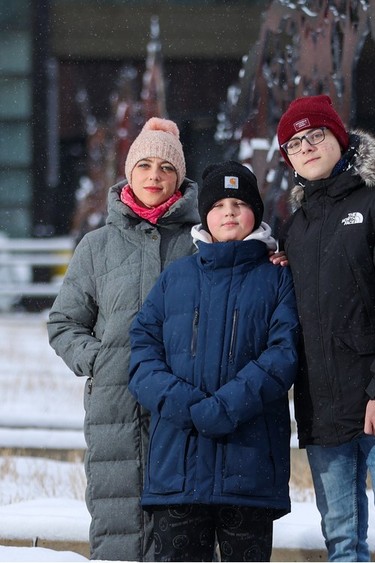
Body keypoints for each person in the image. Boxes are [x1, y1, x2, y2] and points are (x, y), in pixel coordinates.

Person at [128, 160, 300, 562]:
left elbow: (283, 353)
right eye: (219, 204)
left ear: (255, 212)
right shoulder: (176, 278)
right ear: (205, 214)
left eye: (239, 203)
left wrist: (225, 407)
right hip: (178, 468)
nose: (228, 212)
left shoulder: (277, 278)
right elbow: (142, 354)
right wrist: (188, 405)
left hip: (249, 468)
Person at [47, 117, 201, 562]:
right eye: (145, 165)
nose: (155, 176)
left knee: (182, 526)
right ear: (129, 172)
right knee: (118, 525)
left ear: (179, 178)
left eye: (166, 168)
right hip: (114, 405)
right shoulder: (96, 246)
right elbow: (64, 322)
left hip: (182, 402)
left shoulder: (199, 241)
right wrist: (99, 361)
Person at [277, 94, 375, 562]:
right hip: (323, 407)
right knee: (342, 541)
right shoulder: (294, 228)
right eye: (295, 144)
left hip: (373, 395)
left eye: (316, 135)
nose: (307, 147)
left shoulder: (371, 203)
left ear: (339, 137)